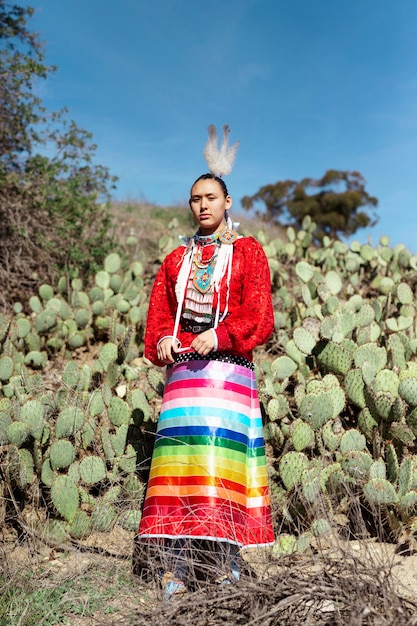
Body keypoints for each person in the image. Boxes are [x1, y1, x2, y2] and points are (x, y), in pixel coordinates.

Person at [136, 125, 275, 601]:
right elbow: (157, 321)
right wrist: (164, 343)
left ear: (228, 202)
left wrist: (218, 334)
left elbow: (260, 316)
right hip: (183, 382)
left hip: (228, 376)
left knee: (221, 465)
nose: (203, 205)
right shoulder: (176, 260)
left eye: (211, 197)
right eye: (196, 198)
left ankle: (225, 568)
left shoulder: (248, 253)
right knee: (181, 466)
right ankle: (173, 567)